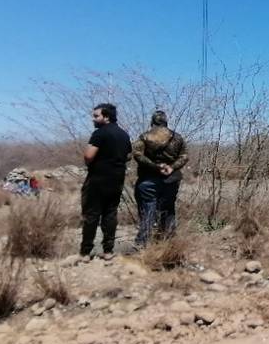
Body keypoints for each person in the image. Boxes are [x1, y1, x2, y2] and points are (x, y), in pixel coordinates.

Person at [80, 103, 131, 261]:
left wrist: (96, 163)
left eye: (96, 116)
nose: (93, 119)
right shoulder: (124, 134)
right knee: (110, 214)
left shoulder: (99, 133)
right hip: (116, 179)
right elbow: (128, 155)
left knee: (91, 215)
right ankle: (108, 251)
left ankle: (85, 253)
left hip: (98, 179)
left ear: (106, 117)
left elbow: (89, 156)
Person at [132, 110, 189, 248]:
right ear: (166, 122)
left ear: (152, 122)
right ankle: (169, 243)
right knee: (168, 210)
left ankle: (142, 243)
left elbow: (137, 155)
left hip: (148, 180)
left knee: (148, 210)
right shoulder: (177, 138)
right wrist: (171, 167)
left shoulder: (144, 137)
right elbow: (184, 156)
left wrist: (155, 166)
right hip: (171, 179)